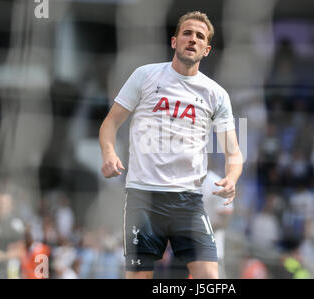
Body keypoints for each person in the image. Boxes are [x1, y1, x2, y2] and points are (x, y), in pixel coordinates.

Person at [99, 11, 243, 279]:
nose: (193, 39)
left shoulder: (216, 94)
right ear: (174, 41)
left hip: (189, 199)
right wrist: (109, 152)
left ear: (207, 49)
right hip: (144, 197)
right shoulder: (145, 76)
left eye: (200, 36)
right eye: (187, 33)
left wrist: (232, 177)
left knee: (211, 278)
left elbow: (234, 152)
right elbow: (109, 124)